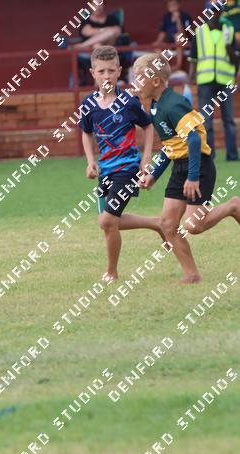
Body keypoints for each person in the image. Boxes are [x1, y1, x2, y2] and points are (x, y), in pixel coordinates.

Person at [136, 53, 240, 284]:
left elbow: (193, 139)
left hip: (198, 165)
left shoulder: (173, 104)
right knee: (167, 224)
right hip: (180, 167)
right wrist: (154, 174)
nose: (136, 83)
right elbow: (171, 146)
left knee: (194, 225)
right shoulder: (156, 106)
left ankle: (233, 206)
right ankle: (192, 275)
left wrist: (193, 177)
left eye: (140, 78)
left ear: (155, 81)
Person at [79, 46, 163, 282]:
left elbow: (148, 126)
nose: (106, 76)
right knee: (107, 222)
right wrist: (90, 161)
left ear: (119, 71)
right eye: (101, 71)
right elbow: (86, 133)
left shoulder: (129, 102)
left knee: (108, 220)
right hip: (105, 170)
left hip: (127, 169)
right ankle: (157, 223)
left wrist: (146, 157)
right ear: (93, 73)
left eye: (110, 71)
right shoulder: (88, 104)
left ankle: (112, 272)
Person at [189, 10, 238, 161]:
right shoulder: (199, 32)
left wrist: (228, 45)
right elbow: (193, 58)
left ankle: (232, 156)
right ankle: (209, 156)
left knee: (229, 120)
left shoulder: (229, 30)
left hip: (225, 81)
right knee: (206, 121)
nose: (215, 15)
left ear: (221, 13)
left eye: (218, 12)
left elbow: (235, 59)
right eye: (212, 11)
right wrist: (190, 80)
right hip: (205, 81)